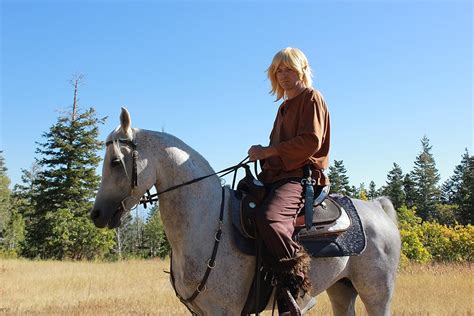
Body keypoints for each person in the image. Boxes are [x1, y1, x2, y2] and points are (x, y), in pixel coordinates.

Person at [248, 47, 330, 315]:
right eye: (278, 70)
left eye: (288, 69)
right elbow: (278, 147)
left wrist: (268, 151)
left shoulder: (311, 98)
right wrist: (262, 154)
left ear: (302, 70)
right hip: (278, 175)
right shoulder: (283, 108)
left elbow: (310, 141)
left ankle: (298, 288)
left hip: (300, 177)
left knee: (270, 218)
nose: (283, 75)